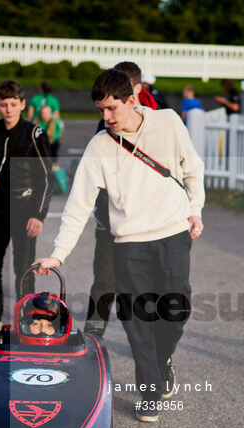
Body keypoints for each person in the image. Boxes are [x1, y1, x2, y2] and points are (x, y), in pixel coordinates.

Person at [32, 69, 204, 423]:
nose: (106, 118)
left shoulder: (169, 123)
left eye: (112, 109)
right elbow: (77, 206)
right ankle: (150, 393)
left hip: (173, 234)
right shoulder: (100, 146)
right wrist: (58, 253)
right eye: (100, 111)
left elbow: (193, 168)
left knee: (176, 310)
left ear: (132, 100)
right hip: (128, 243)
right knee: (138, 319)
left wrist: (195, 210)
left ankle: (160, 361)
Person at [83, 61, 158, 339]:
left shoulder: (161, 118)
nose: (108, 111)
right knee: (104, 281)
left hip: (149, 222)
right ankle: (93, 338)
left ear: (136, 90)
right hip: (111, 218)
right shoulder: (106, 120)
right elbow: (96, 170)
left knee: (144, 287)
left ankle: (153, 349)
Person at [0, 80, 52, 331]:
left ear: (22, 105)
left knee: (24, 269)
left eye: (13, 105)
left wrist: (38, 215)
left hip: (25, 210)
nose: (8, 110)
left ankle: (25, 321)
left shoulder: (34, 133)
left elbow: (47, 178)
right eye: (4, 105)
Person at [28, 82, 62, 161]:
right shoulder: (54, 100)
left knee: (38, 151)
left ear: (41, 88)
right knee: (52, 151)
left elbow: (30, 115)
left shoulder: (35, 99)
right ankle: (53, 165)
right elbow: (57, 117)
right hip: (51, 129)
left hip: (38, 125)